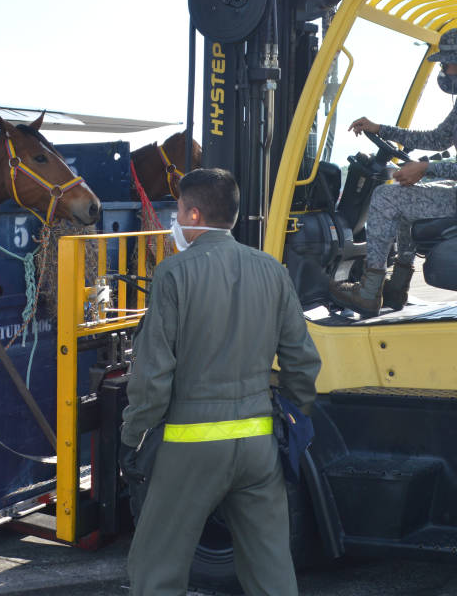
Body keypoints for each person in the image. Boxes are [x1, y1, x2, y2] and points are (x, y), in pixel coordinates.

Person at [122, 168, 321, 596]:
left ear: (192, 212)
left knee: (156, 568)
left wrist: (134, 435)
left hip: (189, 445)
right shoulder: (272, 269)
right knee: (271, 571)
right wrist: (293, 422)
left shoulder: (174, 273)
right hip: (258, 444)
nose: (175, 219)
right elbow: (301, 362)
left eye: (177, 210)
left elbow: (152, 374)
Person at [330, 26, 457, 316]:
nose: (444, 71)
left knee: (384, 197)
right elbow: (435, 138)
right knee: (406, 196)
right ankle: (396, 287)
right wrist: (381, 129)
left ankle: (368, 292)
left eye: (446, 64)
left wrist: (426, 168)